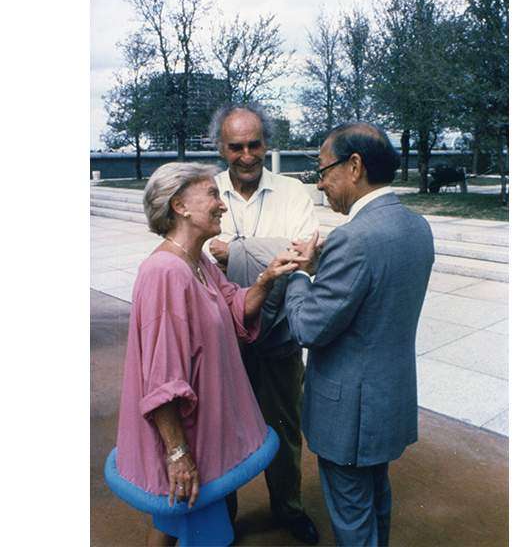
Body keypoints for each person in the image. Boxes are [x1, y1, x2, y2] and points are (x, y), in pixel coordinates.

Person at [115, 162, 302, 547]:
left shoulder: (196, 261)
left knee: (172, 522)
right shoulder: (166, 273)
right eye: (213, 195)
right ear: (180, 206)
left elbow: (235, 307)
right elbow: (162, 378)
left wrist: (267, 277)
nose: (222, 205)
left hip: (198, 430)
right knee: (186, 524)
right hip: (186, 436)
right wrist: (178, 453)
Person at [284, 123, 435, 546]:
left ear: (354, 166)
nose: (321, 183)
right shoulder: (416, 226)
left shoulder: (352, 238)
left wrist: (299, 274)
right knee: (376, 501)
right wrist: (321, 271)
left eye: (323, 169)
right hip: (389, 399)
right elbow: (372, 299)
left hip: (348, 413)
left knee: (353, 520)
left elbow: (308, 327)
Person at [205, 103, 320, 545]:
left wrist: (233, 251)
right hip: (222, 340)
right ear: (221, 147)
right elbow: (195, 254)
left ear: (266, 143)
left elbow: (305, 256)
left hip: (279, 339)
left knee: (285, 429)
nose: (247, 155)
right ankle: (225, 516)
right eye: (236, 147)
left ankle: (288, 509)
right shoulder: (205, 190)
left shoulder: (292, 191)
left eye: (255, 144)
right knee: (220, 431)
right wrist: (269, 252)